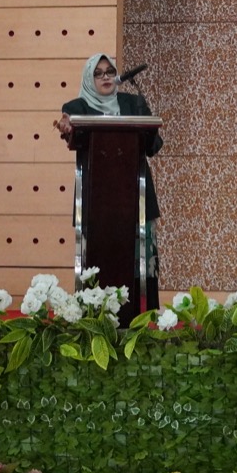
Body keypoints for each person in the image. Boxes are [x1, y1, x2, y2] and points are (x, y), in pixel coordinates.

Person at [54, 54, 163, 315]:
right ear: (88, 79)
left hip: (135, 194)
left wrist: (148, 122)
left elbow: (153, 147)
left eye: (109, 71)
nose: (105, 77)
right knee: (99, 258)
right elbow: (68, 125)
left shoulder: (133, 103)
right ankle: (94, 315)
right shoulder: (77, 107)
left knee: (138, 256)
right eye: (98, 73)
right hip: (96, 198)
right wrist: (66, 126)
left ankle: (140, 314)